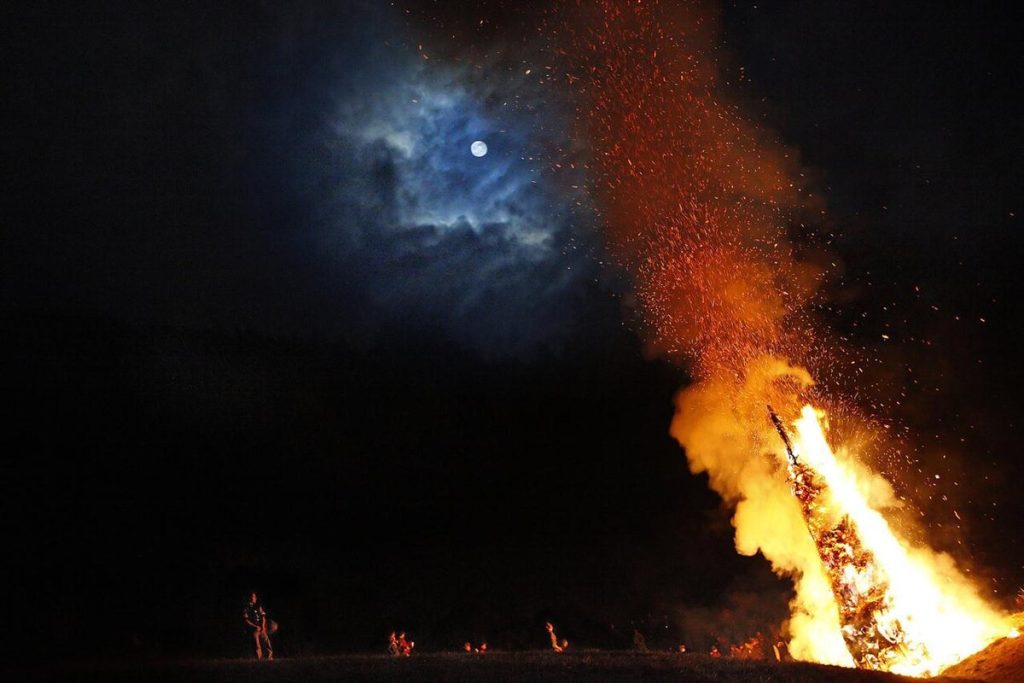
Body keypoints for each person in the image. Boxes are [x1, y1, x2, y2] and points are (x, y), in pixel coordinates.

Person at [243, 592, 273, 660]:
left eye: (254, 597)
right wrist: (255, 627)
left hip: (261, 628)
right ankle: (259, 658)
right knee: (257, 644)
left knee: (266, 641)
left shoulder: (259, 606)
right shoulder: (247, 608)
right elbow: (246, 620)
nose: (252, 598)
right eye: (251, 597)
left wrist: (262, 626)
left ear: (256, 598)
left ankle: (270, 657)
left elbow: (263, 617)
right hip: (254, 629)